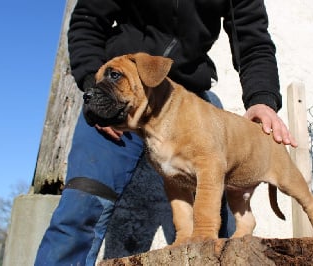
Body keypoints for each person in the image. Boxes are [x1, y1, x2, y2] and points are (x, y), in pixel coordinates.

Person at [35, 0, 297, 265]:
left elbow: (252, 39)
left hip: (187, 98)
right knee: (80, 209)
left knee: (209, 228)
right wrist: (100, 92)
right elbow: (87, 19)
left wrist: (262, 99)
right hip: (123, 99)